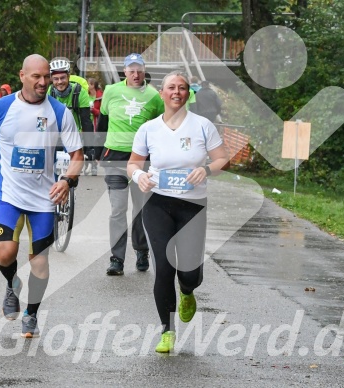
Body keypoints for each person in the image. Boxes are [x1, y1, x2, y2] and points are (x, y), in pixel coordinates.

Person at [0, 54, 83, 338]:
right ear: (22, 75)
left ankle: (31, 313)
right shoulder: (0, 107)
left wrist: (68, 180)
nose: (43, 82)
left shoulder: (59, 112)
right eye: (37, 77)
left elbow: (77, 155)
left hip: (44, 199)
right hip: (9, 194)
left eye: (46, 76)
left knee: (40, 262)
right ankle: (12, 284)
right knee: (6, 253)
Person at [126, 71, 229, 353]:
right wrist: (139, 178)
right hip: (157, 203)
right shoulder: (149, 129)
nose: (176, 92)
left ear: (188, 94)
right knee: (164, 266)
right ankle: (167, 330)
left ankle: (187, 290)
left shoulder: (202, 126)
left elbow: (223, 159)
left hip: (193, 206)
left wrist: (206, 169)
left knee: (189, 272)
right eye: (171, 87)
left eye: (182, 88)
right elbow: (133, 164)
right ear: (162, 93)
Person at [98, 53, 164, 276]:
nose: (135, 74)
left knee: (140, 210)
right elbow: (103, 120)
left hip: (142, 162)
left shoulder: (155, 97)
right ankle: (116, 258)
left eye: (139, 70)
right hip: (115, 158)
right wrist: (97, 150)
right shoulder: (111, 92)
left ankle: (141, 250)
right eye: (131, 70)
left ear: (144, 71)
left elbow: (160, 129)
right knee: (118, 210)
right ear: (124, 72)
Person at [48, 58, 94, 174]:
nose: (59, 82)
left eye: (62, 78)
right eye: (56, 79)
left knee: (73, 174)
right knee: (50, 170)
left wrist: (89, 149)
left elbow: (86, 122)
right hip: (55, 134)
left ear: (68, 76)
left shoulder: (79, 92)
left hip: (74, 135)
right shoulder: (50, 92)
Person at [88, 77, 103, 175]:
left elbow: (102, 113)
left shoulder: (101, 96)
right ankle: (85, 164)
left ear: (93, 85)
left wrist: (93, 110)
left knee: (93, 147)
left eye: (88, 84)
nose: (86, 86)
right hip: (85, 124)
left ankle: (94, 166)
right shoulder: (84, 95)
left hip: (96, 125)